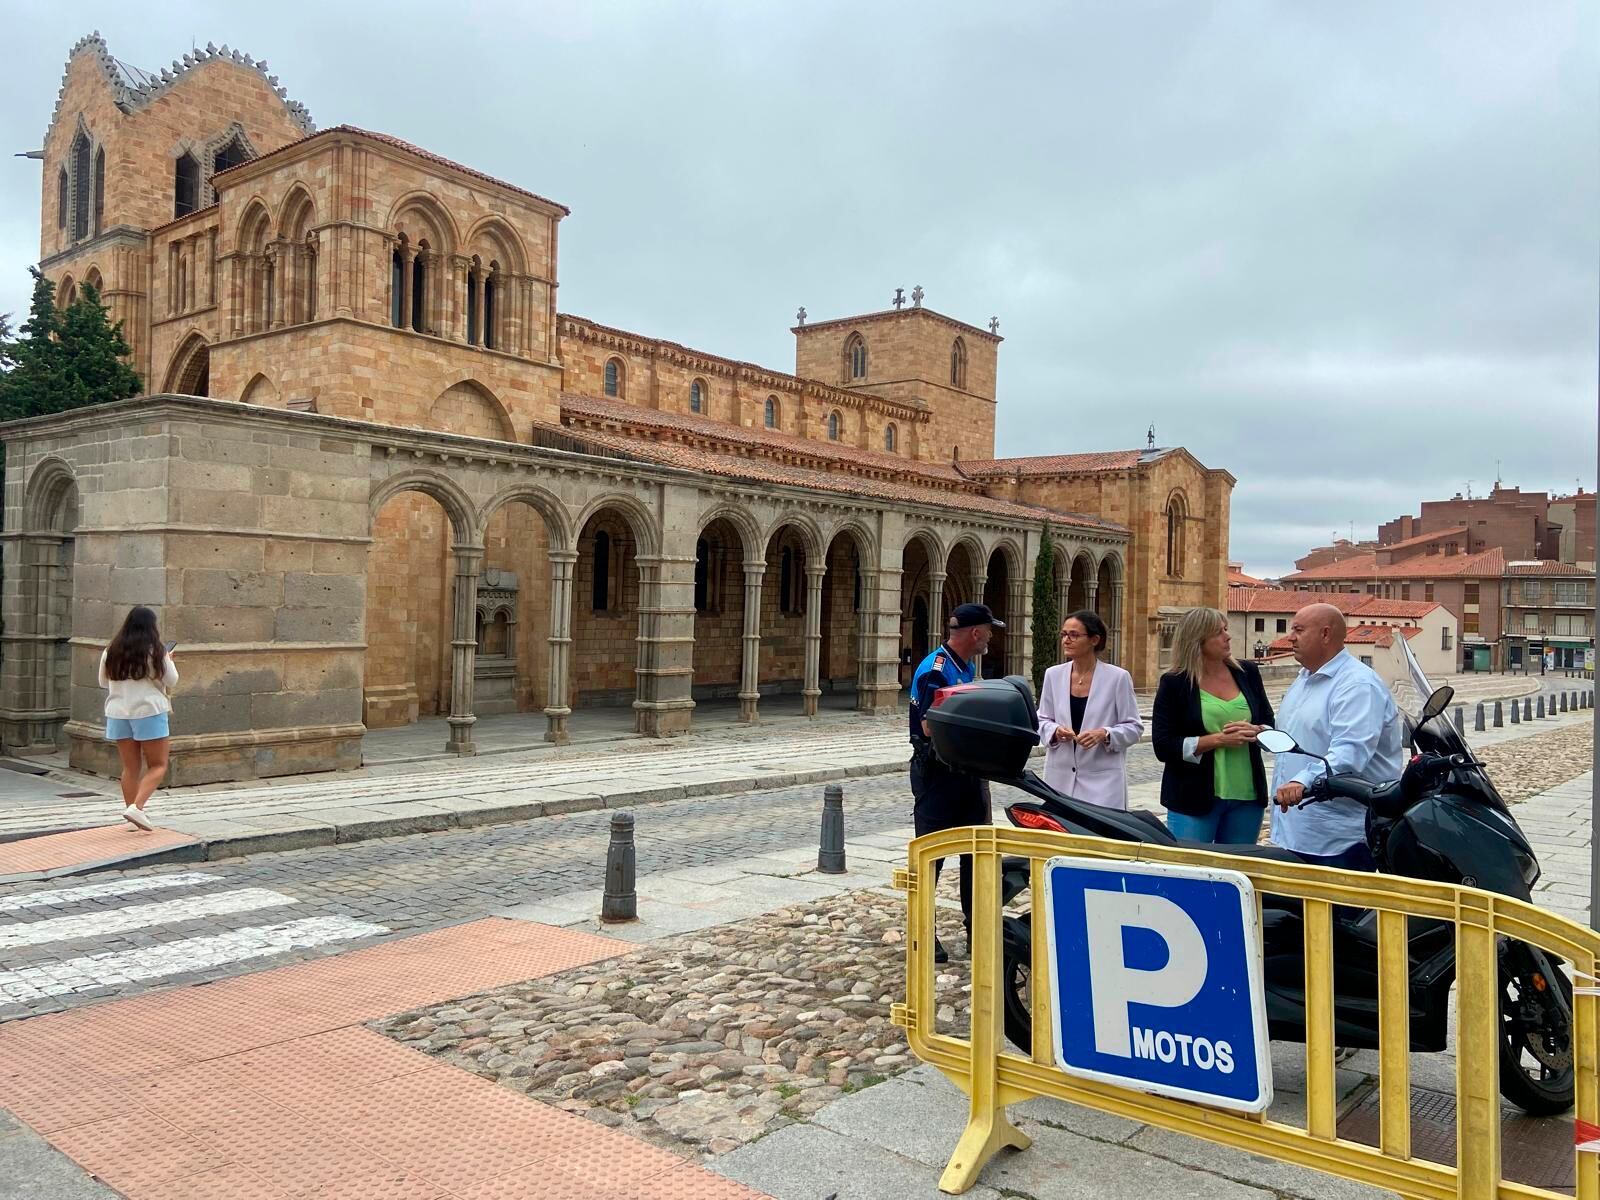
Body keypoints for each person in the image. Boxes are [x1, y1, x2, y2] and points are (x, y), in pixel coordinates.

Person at [1270, 602, 1403, 869]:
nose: (1290, 637)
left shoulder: (1357, 685)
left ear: (1326, 634)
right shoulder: (1305, 678)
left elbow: (1349, 753)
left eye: (1299, 629)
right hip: (1296, 829)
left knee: (1339, 911)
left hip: (1337, 837)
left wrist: (1302, 781)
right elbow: (1305, 735)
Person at [909, 602, 1002, 963]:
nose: (992, 635)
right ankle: (921, 933)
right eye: (989, 629)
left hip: (968, 772)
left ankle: (976, 928)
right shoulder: (937, 669)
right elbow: (930, 726)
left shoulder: (967, 666)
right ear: (975, 632)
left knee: (976, 854)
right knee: (932, 857)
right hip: (938, 773)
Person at [1150, 607, 1275, 843]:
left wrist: (1257, 732)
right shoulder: (1175, 683)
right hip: (1192, 798)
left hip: (1247, 797)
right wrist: (1218, 740)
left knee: (1239, 871)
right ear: (1198, 639)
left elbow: (1269, 723)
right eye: (1219, 632)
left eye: (1226, 629)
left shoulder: (1247, 672)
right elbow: (1163, 746)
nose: (1227, 636)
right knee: (1191, 871)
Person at [1035, 610, 1143, 809]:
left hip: (1103, 784)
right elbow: (1041, 719)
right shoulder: (1053, 675)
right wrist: (1055, 731)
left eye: (1074, 635)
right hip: (1060, 781)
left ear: (1094, 640)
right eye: (1064, 634)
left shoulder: (1117, 678)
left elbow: (1134, 727)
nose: (1066, 640)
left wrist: (1104, 733)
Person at [99, 606, 178, 832]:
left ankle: (131, 816)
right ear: (151, 627)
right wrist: (168, 660)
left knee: (130, 768)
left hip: (117, 712)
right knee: (158, 765)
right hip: (148, 711)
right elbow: (172, 681)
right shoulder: (157, 652)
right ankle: (138, 808)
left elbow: (103, 682)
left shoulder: (110, 651)